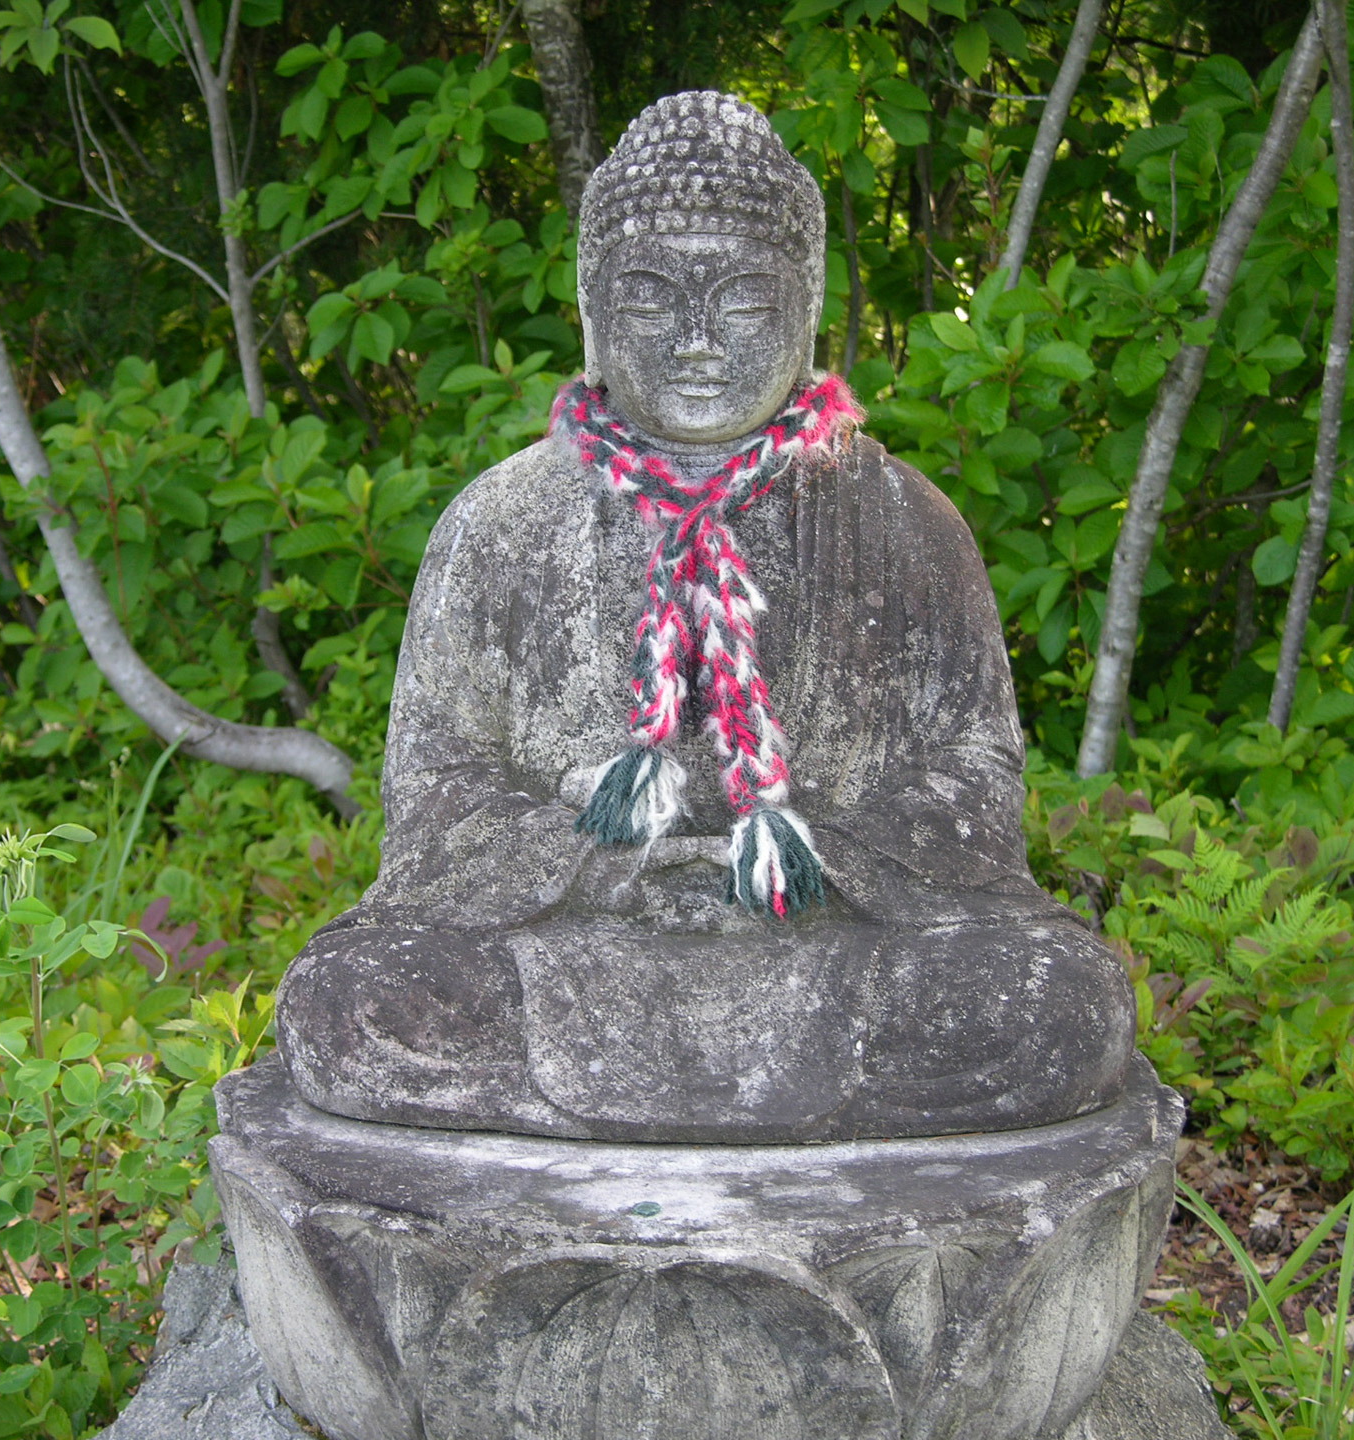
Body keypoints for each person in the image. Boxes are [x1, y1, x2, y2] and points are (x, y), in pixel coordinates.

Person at [275, 91, 1135, 1143]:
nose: (694, 341)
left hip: (828, 944)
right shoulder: (497, 525)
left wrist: (801, 864)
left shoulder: (906, 519)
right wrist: (605, 863)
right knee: (355, 999)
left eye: (738, 300)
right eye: (649, 297)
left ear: (806, 302)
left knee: (1050, 1004)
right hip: (576, 948)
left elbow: (974, 775)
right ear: (590, 310)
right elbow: (437, 783)